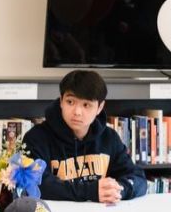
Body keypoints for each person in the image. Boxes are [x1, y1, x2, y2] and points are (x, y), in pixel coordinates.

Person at [22, 69, 147, 204]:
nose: (77, 112)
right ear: (61, 101)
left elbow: (138, 179)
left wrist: (116, 190)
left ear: (100, 107)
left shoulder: (109, 138)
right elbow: (36, 183)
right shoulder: (36, 138)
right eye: (70, 102)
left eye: (86, 105)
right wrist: (90, 191)